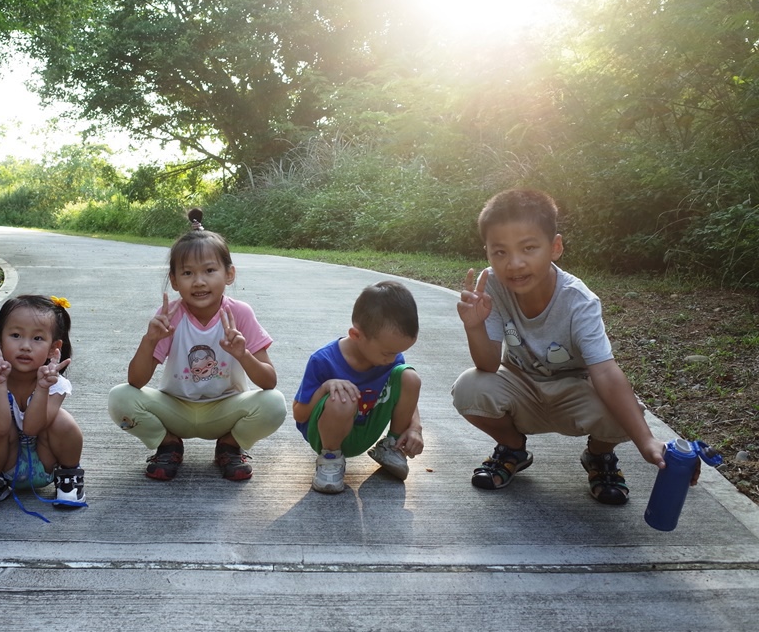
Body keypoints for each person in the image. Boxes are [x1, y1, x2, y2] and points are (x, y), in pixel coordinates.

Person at [453, 189, 669, 505]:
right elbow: (487, 365)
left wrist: (646, 441)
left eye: (528, 248)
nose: (514, 263)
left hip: (573, 392)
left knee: (626, 411)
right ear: (487, 252)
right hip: (522, 387)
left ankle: (599, 456)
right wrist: (474, 326)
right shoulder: (493, 286)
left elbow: (606, 372)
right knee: (469, 388)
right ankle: (513, 448)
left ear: (555, 247)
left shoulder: (578, 301)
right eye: (500, 252)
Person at [108, 209, 286, 481]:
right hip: (175, 408)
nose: (199, 281)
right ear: (175, 281)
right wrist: (150, 340)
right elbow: (136, 380)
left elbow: (269, 381)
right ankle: (167, 445)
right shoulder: (170, 315)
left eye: (210, 270)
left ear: (229, 274)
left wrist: (243, 354)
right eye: (188, 273)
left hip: (226, 408)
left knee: (274, 404)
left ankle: (230, 445)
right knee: (119, 397)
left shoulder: (240, 313)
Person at [292, 281, 424, 494]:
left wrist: (415, 428)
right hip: (325, 433)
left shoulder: (389, 358)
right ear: (356, 335)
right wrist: (326, 387)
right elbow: (299, 413)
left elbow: (405, 393)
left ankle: (391, 446)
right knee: (342, 397)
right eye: (387, 353)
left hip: (365, 431)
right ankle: (330, 461)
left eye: (398, 352)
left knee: (410, 377)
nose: (393, 359)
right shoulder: (323, 360)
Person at [0, 294, 86, 517]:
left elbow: (32, 428)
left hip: (45, 460)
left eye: (37, 339)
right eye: (16, 335)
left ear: (53, 348)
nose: (25, 346)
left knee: (62, 421)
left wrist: (43, 388)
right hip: (5, 463)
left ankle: (68, 477)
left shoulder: (56, 384)